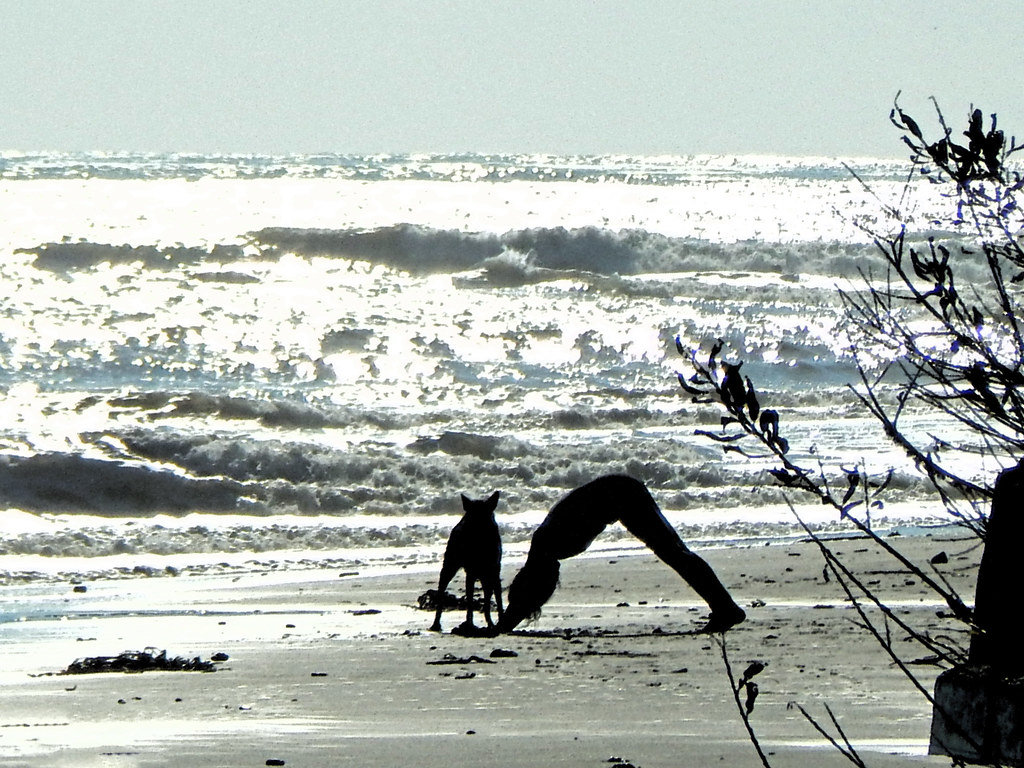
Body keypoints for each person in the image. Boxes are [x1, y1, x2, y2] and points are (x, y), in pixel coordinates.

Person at [496, 475, 745, 634]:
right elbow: (534, 589)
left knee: (674, 553)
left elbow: (534, 590)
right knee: (675, 553)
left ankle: (726, 608)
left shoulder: (550, 544)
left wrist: (505, 626)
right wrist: (506, 624)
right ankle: (725, 607)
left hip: (624, 494)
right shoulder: (548, 548)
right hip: (620, 495)